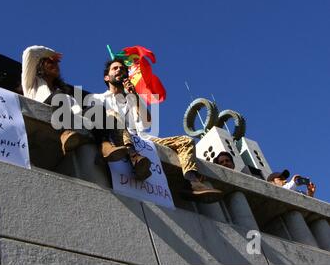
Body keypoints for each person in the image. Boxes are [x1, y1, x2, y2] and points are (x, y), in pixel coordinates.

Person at [88, 58, 223, 203]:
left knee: (186, 141)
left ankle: (192, 181)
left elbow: (146, 122)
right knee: (112, 115)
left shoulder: (132, 99)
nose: (120, 70)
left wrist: (134, 96)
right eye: (115, 68)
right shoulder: (99, 98)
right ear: (106, 77)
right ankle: (134, 157)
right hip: (118, 137)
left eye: (122, 69)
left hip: (142, 139)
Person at [22, 46, 151, 180]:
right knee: (59, 96)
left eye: (56, 62)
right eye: (50, 61)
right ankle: (66, 132)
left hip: (76, 121)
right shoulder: (32, 83)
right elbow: (29, 53)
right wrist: (51, 53)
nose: (55, 64)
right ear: (40, 65)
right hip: (58, 122)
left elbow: (80, 115)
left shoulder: (64, 93)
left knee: (98, 110)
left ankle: (105, 146)